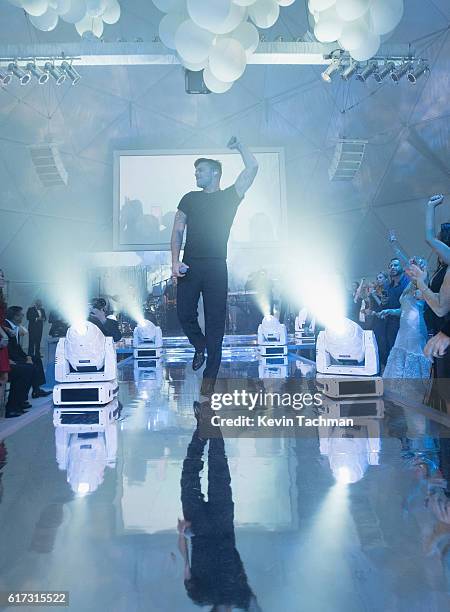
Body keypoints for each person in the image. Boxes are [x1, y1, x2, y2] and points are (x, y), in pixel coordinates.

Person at [171, 137, 259, 396]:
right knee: (184, 313)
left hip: (217, 267)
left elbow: (252, 169)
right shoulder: (189, 198)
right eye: (195, 171)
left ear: (215, 173)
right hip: (191, 265)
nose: (196, 174)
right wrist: (175, 261)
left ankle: (209, 381)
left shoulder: (229, 197)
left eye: (201, 170)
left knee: (216, 325)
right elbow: (177, 230)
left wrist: (241, 145)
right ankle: (199, 345)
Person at [179, 401, 260, 612]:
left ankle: (204, 425)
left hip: (200, 529)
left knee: (205, 471)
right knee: (214, 470)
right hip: (215, 526)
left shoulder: (202, 596)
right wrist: (183, 535)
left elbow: (186, 565)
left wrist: (182, 534)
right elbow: (186, 566)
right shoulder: (239, 597)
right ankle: (209, 423)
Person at [380, 258, 432, 383]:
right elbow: (404, 309)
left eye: (413, 267)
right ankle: (399, 394)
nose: (409, 269)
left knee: (412, 359)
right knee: (399, 359)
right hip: (403, 329)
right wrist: (390, 311)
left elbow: (425, 303)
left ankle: (413, 393)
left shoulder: (422, 283)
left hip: (415, 327)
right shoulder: (410, 284)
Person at [3, 306, 51, 418]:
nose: (23, 316)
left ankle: (36, 389)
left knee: (36, 359)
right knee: (28, 368)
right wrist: (23, 360)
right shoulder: (6, 327)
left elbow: (17, 348)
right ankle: (14, 406)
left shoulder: (15, 327)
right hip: (10, 359)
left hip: (14, 357)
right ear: (14, 316)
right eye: (21, 315)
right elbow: (10, 351)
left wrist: (27, 357)